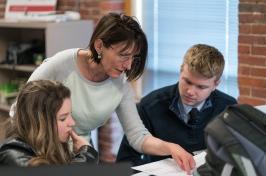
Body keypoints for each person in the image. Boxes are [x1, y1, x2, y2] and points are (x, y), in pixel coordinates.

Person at [9, 13, 195, 172]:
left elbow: (138, 136)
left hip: (82, 155)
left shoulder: (121, 85)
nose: (129, 65)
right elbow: (20, 109)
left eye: (133, 58)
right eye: (124, 55)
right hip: (40, 155)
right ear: (99, 46)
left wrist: (171, 147)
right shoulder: (61, 64)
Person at [116, 44, 237, 166]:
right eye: (187, 81)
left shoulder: (228, 108)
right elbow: (125, 161)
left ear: (216, 84)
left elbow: (236, 156)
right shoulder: (149, 106)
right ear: (180, 71)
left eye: (201, 87)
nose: (190, 91)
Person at [0, 80, 98, 166]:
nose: (72, 123)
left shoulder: (54, 147)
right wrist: (87, 155)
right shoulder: (11, 153)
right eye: (63, 118)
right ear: (39, 123)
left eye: (70, 115)